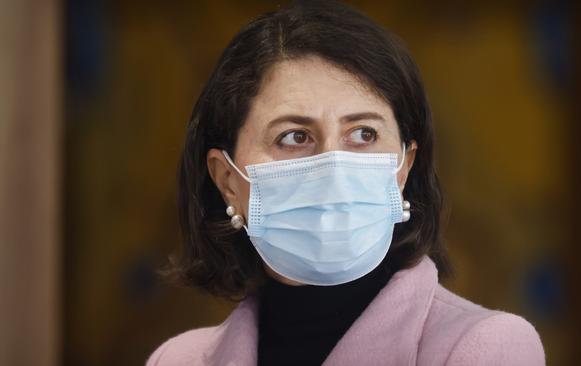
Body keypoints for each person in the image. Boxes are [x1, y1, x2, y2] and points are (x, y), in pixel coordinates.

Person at [146, 1, 545, 365]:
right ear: (228, 181)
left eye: (364, 134)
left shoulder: (484, 347)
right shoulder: (178, 359)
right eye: (294, 137)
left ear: (403, 167)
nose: (333, 168)